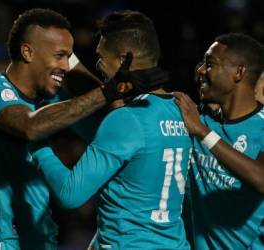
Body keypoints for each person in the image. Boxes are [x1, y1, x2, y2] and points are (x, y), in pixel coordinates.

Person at [0, 8, 131, 250]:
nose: (65, 66)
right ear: (27, 51)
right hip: (2, 241)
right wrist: (107, 91)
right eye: (59, 55)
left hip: (43, 242)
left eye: (68, 58)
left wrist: (79, 67)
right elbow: (31, 126)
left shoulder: (52, 101)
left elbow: (113, 119)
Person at [30, 10, 193, 249]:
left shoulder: (126, 120)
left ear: (123, 59)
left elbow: (69, 193)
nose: (98, 64)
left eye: (101, 56)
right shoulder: (179, 110)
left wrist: (36, 143)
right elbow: (104, 136)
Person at [174, 33, 264, 249]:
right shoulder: (199, 118)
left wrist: (203, 134)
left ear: (239, 72)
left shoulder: (260, 127)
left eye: (209, 63)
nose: (200, 70)